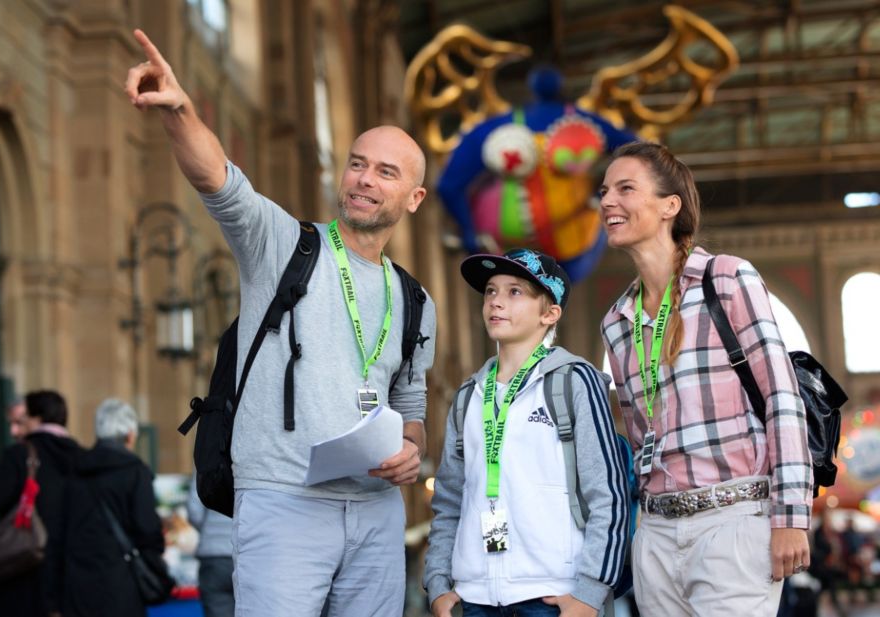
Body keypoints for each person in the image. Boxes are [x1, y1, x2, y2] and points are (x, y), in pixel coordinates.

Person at [124, 29, 437, 616]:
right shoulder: (285, 245)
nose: (365, 179)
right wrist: (180, 111)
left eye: (385, 172)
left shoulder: (416, 299)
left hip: (375, 511)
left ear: (414, 198)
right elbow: (220, 183)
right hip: (285, 500)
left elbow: (410, 401)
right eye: (357, 164)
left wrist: (412, 448)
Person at [598, 141, 813, 616]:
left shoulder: (727, 279)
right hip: (654, 534)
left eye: (626, 188)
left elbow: (782, 398)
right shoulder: (616, 322)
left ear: (669, 206)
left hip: (733, 524)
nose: (608, 201)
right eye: (605, 191)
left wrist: (791, 518)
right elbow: (638, 435)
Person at [425, 248, 629, 617]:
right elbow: (449, 499)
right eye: (490, 291)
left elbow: (608, 494)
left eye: (515, 292)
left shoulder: (574, 381)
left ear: (549, 314)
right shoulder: (468, 396)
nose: (496, 302)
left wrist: (589, 593)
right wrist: (438, 582)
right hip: (476, 599)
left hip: (553, 597)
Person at [60, 398, 168, 616]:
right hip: (122, 581)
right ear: (130, 435)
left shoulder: (75, 469)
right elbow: (147, 528)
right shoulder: (135, 471)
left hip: (77, 583)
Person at [0, 390, 82, 617]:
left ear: (37, 418)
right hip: (70, 575)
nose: (18, 426)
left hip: (22, 571)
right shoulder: (82, 457)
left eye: (24, 417)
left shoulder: (20, 454)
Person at [187, 472, 234, 617]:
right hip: (250, 553)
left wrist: (210, 531)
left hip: (213, 555)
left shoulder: (209, 462)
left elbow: (194, 511)